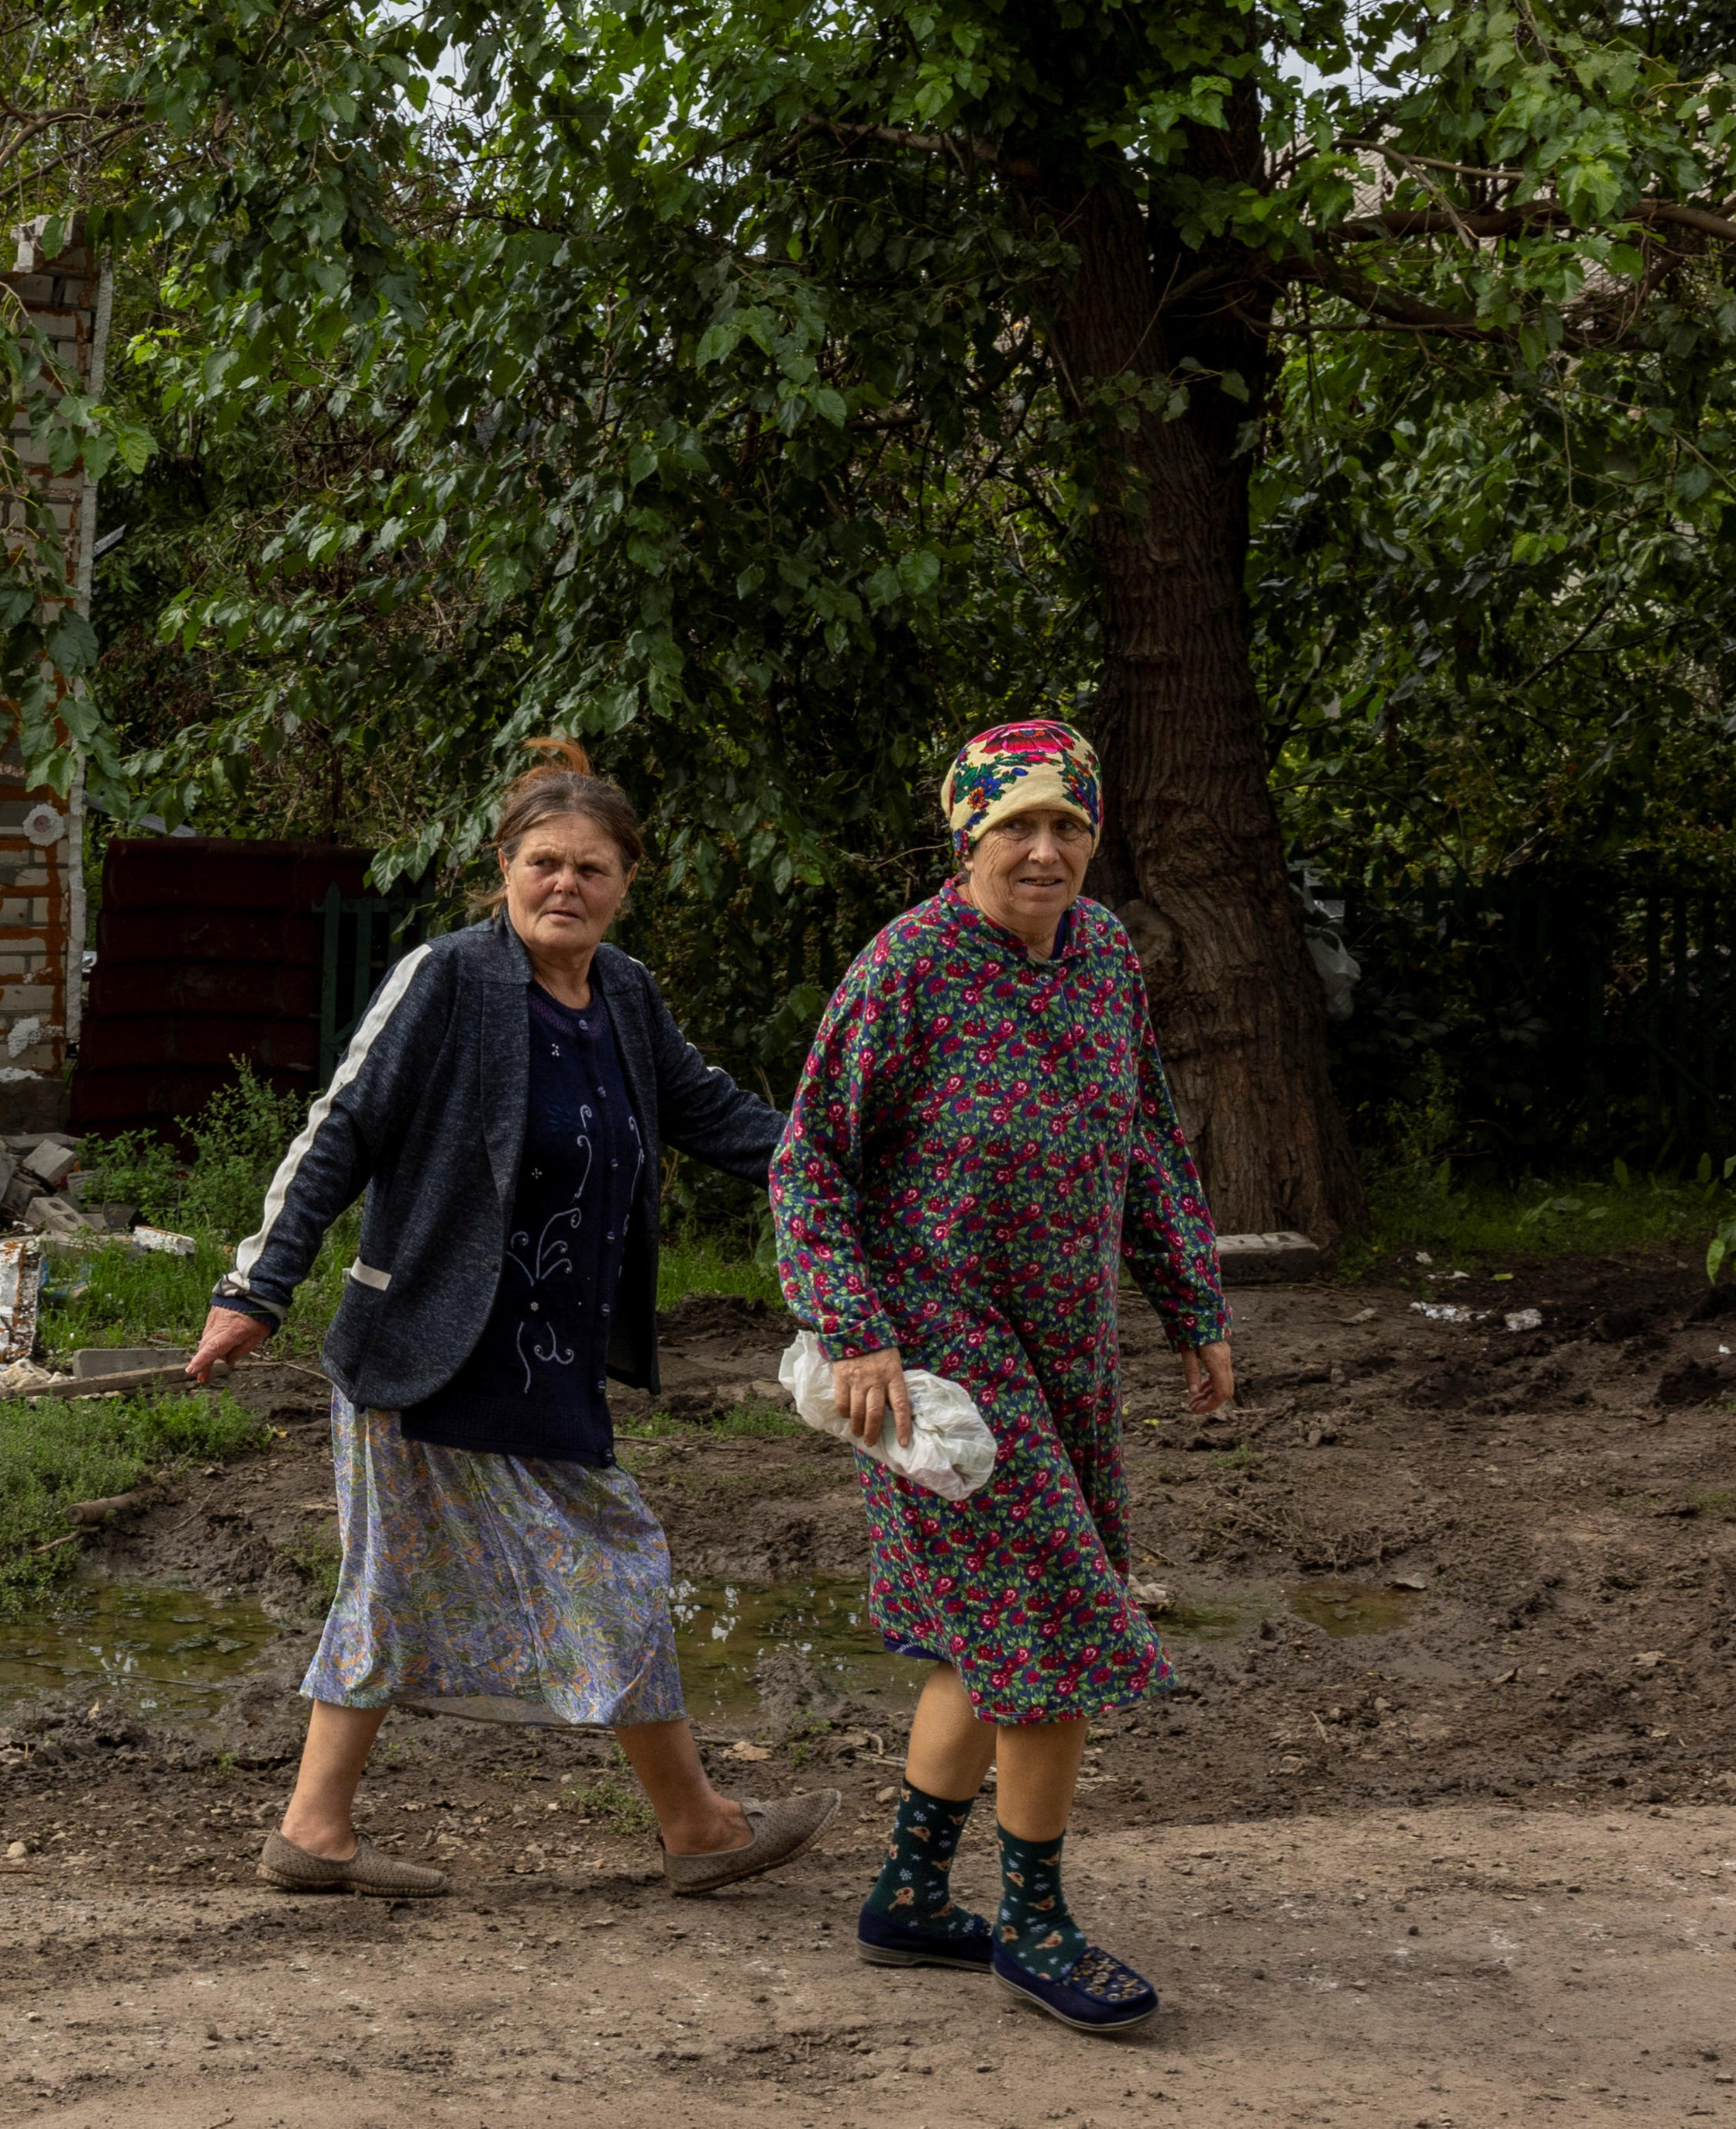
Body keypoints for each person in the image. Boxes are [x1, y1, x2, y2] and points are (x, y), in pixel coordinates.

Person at [187, 739, 835, 1901]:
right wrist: (256, 1288)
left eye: (591, 868)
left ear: (627, 881)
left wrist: (848, 1166)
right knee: (592, 1564)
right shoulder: (449, 978)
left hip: (546, 1362)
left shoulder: (625, 997)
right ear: (503, 865)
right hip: (426, 1350)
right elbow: (338, 1131)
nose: (565, 886)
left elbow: (715, 1115)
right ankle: (696, 1823)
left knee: (415, 1583)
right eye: (544, 862)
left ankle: (317, 1831)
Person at [767, 717, 1236, 2037]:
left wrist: (1192, 1304)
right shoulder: (906, 967)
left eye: (1068, 824)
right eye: (1015, 824)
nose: (1044, 848)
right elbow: (809, 1163)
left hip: (1071, 1351)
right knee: (1054, 1627)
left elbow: (1143, 1134)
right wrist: (856, 1327)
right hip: (944, 1364)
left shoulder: (1103, 960)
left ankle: (914, 1892)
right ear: (966, 834)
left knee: (996, 1628)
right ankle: (1034, 1921)